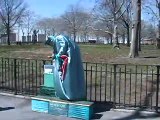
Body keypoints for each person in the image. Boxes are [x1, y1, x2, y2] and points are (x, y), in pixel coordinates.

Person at [45, 34, 86, 100]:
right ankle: (71, 93)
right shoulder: (57, 43)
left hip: (69, 58)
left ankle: (68, 93)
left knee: (68, 75)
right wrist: (54, 56)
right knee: (72, 75)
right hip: (71, 57)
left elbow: (64, 46)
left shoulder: (59, 38)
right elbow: (56, 51)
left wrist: (58, 55)